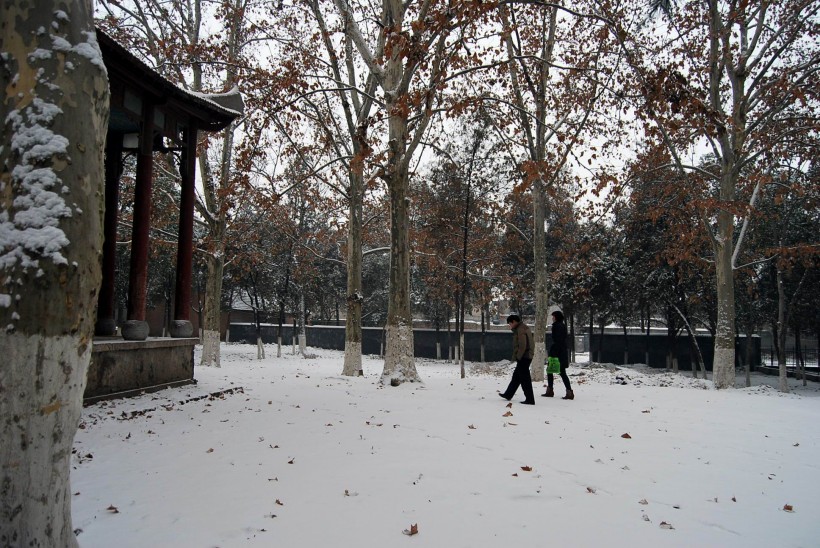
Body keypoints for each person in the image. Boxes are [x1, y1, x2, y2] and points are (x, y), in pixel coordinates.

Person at [499, 314, 535, 405]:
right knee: (516, 377)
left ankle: (530, 399)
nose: (510, 326)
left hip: (524, 357)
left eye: (510, 324)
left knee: (524, 379)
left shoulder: (520, 329)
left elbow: (522, 345)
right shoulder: (523, 327)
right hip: (526, 355)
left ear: (514, 322)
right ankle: (508, 394)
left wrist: (518, 357)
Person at [543, 310, 574, 400]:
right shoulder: (562, 326)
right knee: (561, 372)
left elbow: (558, 340)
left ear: (556, 317)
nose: (552, 318)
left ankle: (550, 390)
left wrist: (553, 353)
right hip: (562, 352)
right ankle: (569, 391)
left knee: (551, 371)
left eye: (553, 316)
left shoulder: (557, 326)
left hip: (557, 352)